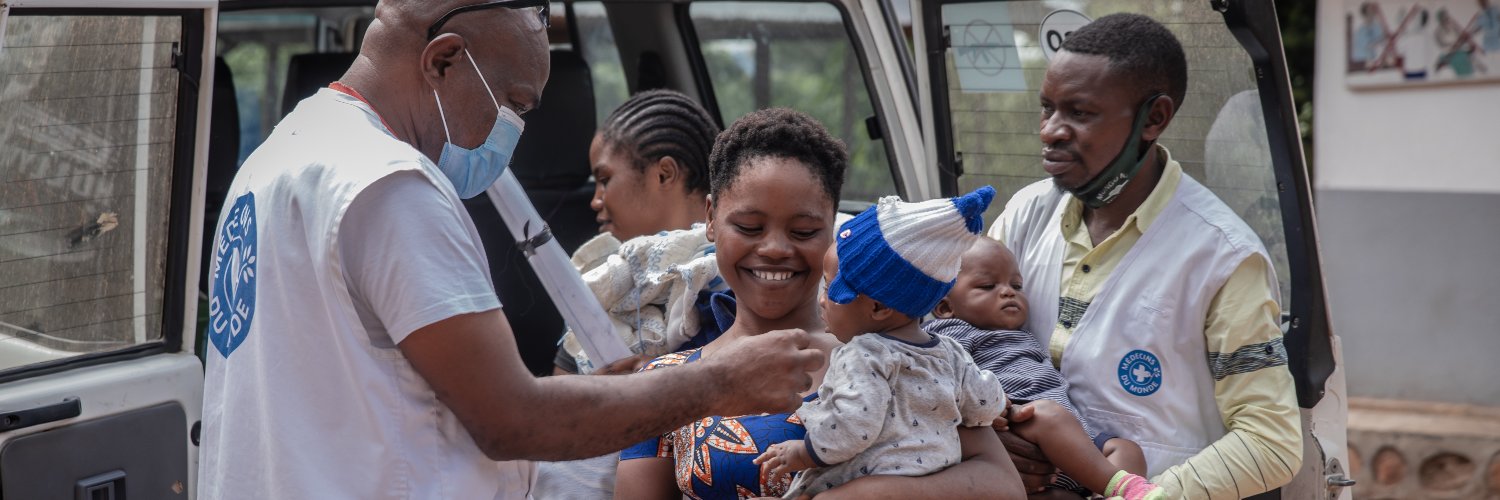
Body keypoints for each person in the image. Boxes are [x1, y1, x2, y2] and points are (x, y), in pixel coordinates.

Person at [197, 2, 823, 498]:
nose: (514, 133)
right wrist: (719, 382)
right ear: (444, 60)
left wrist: (611, 397)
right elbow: (510, 421)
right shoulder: (390, 186)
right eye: (515, 104)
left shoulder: (281, 155)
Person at [613, 108, 1024, 499]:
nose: (774, 248)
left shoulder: (900, 355)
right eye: (749, 227)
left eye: (805, 231)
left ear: (832, 225)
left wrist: (859, 496)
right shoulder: (664, 384)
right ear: (710, 218)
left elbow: (1001, 485)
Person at [986, 13, 1302, 499]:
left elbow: (1270, 443)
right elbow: (958, 347)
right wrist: (994, 440)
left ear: (1154, 118)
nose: (1051, 131)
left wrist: (1145, 496)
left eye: (1080, 113)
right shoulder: (1026, 214)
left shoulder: (1223, 256)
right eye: (1046, 108)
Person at [753, 186, 1022, 499]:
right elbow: (985, 402)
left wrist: (804, 452)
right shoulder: (950, 352)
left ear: (879, 308)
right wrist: (1002, 404)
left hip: (855, 480)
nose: (823, 301)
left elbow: (853, 426)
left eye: (831, 289)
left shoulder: (864, 354)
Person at [927, 238, 1159, 498]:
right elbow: (937, 383)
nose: (1008, 292)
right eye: (988, 286)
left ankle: (1124, 491)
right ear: (945, 307)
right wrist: (987, 405)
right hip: (1020, 423)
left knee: (1126, 449)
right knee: (1047, 415)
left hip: (1074, 441)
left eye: (1016, 285)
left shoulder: (1023, 333)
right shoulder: (949, 335)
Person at [553, 88, 723, 376]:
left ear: (664, 174)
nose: (595, 200)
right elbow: (556, 410)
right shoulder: (603, 285)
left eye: (605, 179)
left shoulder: (733, 280)